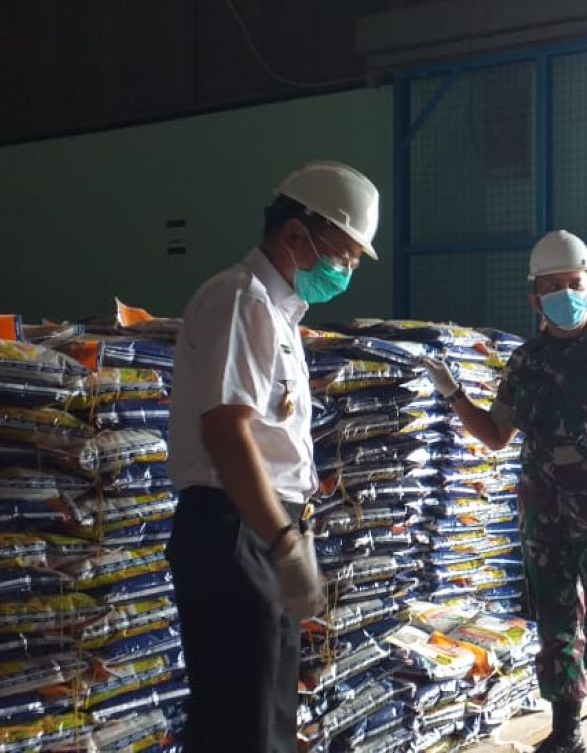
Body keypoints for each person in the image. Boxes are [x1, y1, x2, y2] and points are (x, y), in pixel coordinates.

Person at [421, 229, 587, 753]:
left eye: (573, 283)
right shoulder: (526, 362)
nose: (564, 294)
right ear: (534, 296)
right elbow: (494, 435)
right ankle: (566, 730)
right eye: (552, 285)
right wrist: (453, 393)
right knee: (555, 626)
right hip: (544, 514)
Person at [167, 161, 380, 752]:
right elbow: (227, 435)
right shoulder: (239, 301)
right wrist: (283, 543)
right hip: (234, 528)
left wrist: (290, 532)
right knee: (249, 723)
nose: (348, 270)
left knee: (256, 713)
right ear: (294, 233)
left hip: (257, 525)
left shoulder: (278, 313)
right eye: (343, 254)